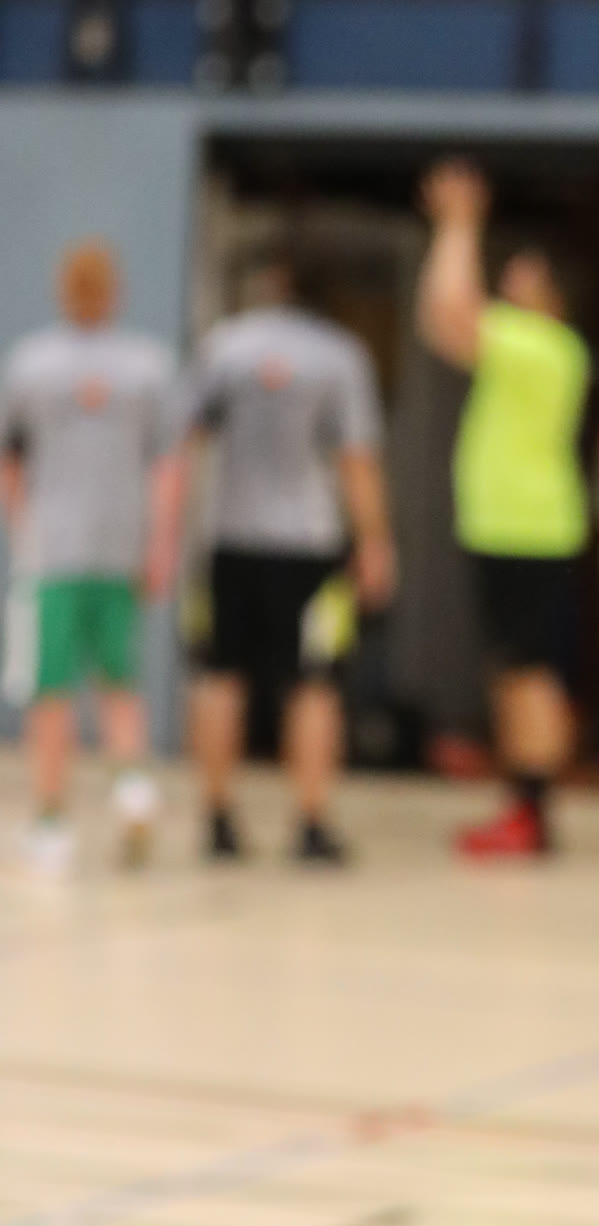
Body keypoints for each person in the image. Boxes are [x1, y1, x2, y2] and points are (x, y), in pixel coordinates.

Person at [182, 258, 396, 864]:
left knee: (220, 675)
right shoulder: (339, 355)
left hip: (231, 538)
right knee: (315, 683)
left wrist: (174, 530)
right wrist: (375, 540)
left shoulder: (224, 348)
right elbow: (357, 457)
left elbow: (186, 438)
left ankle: (218, 818)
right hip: (310, 545)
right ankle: (310, 821)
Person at [416, 159, 590, 858]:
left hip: (526, 529)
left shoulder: (541, 345)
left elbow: (447, 315)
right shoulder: (537, 347)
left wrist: (460, 225)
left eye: (524, 276)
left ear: (552, 296)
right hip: (515, 528)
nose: (509, 282)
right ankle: (524, 804)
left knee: (529, 673)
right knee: (516, 672)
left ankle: (533, 811)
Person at [0, 241, 180, 872]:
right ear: (115, 291)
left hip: (52, 554)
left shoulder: (31, 363)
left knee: (50, 694)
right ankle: (132, 787)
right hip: (120, 549)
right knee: (120, 684)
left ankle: (51, 822)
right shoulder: (148, 366)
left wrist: (24, 527)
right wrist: (159, 545)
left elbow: (9, 462)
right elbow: (167, 469)